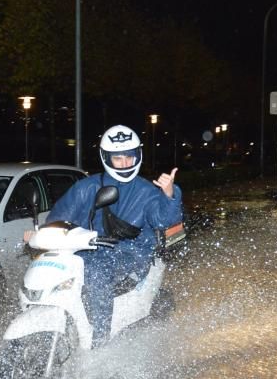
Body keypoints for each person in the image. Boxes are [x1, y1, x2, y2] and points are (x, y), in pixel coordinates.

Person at [44, 124, 182, 347]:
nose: (125, 163)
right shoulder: (86, 188)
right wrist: (42, 232)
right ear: (106, 158)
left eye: (130, 157)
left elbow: (164, 221)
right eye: (118, 158)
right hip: (85, 250)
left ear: (138, 155)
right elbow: (59, 218)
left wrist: (169, 195)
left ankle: (99, 342)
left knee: (97, 272)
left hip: (131, 253)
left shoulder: (147, 192)